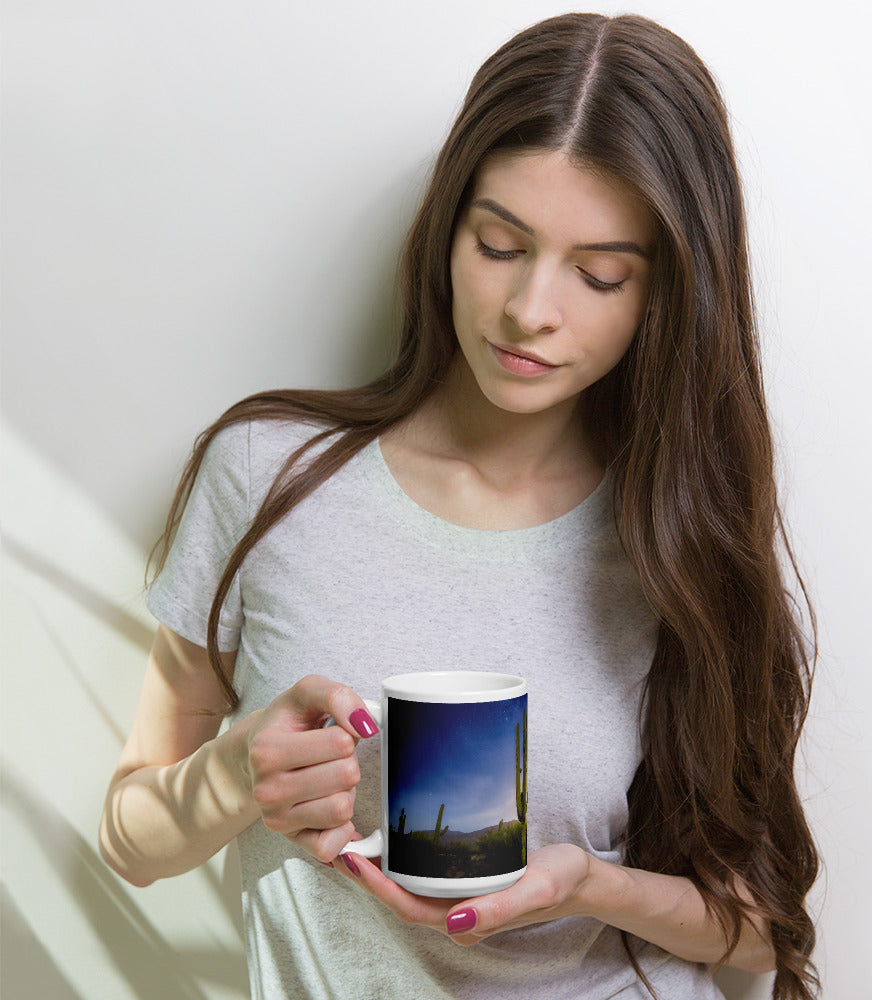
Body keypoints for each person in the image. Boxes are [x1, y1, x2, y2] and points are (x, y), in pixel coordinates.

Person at [99, 12, 819, 1000]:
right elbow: (130, 840)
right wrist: (234, 775)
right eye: (497, 243)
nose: (531, 309)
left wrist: (592, 884)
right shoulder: (266, 476)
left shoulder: (673, 536)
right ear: (447, 228)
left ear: (664, 297)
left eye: (600, 273)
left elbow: (758, 929)